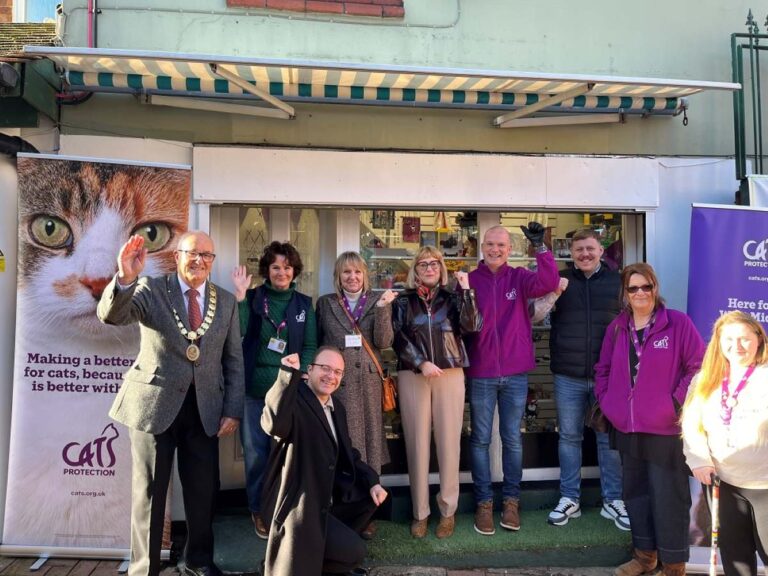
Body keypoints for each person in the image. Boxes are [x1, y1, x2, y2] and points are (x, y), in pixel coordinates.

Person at [98, 231, 245, 576]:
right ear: (177, 256)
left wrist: (233, 409)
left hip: (205, 410)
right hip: (155, 407)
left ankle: (198, 561)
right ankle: (144, 568)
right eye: (192, 253)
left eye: (206, 255)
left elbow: (233, 359)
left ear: (212, 262)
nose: (199, 261)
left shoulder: (225, 301)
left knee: (203, 492)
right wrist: (125, 278)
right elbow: (112, 316)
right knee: (150, 493)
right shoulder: (150, 289)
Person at [594, 262, 705, 576]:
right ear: (625, 293)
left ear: (655, 288)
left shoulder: (677, 323)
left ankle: (673, 564)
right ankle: (645, 557)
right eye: (633, 288)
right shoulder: (617, 328)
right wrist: (610, 403)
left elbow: (698, 366)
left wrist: (673, 404)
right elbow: (602, 370)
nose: (640, 293)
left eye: (646, 286)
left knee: (669, 498)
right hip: (627, 428)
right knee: (636, 495)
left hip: (666, 430)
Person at [465, 223, 559, 535]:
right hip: (481, 371)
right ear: (482, 247)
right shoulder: (470, 280)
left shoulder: (519, 277)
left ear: (509, 249)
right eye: (490, 244)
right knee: (480, 439)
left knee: (512, 439)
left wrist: (541, 247)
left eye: (501, 245)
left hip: (515, 372)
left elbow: (549, 282)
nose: (495, 250)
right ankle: (483, 503)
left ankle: (511, 502)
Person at [261, 349, 388, 576]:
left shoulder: (336, 407)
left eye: (338, 372)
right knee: (355, 551)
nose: (331, 376)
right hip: (297, 505)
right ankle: (289, 561)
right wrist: (286, 375)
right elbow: (275, 425)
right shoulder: (295, 399)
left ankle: (313, 559)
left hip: (325, 500)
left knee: (369, 498)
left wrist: (372, 481)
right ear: (309, 370)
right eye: (325, 368)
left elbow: (349, 454)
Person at [392, 246, 482, 539]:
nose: (429, 268)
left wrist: (466, 291)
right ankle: (420, 512)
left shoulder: (454, 298)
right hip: (414, 373)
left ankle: (448, 510)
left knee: (448, 442)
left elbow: (472, 326)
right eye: (423, 264)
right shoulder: (403, 301)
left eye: (434, 263)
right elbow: (397, 337)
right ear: (415, 269)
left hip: (450, 372)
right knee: (417, 443)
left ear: (441, 268)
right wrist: (421, 362)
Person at [231, 241, 317, 539]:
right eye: (276, 267)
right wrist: (240, 297)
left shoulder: (303, 305)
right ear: (267, 270)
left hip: (289, 392)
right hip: (254, 391)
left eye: (287, 267)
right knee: (256, 454)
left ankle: (282, 508)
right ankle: (258, 509)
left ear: (295, 271)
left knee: (285, 455)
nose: (282, 272)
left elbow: (309, 346)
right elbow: (239, 332)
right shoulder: (254, 298)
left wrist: (302, 374)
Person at [547, 228, 627, 530]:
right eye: (579, 249)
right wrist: (553, 293)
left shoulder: (619, 282)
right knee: (569, 438)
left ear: (601, 250)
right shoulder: (560, 282)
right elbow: (536, 313)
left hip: (607, 377)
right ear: (571, 253)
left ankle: (613, 500)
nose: (585, 254)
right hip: (568, 375)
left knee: (608, 439)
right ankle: (570, 498)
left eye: (590, 248)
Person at [682, 311, 768, 576]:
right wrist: (699, 460)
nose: (737, 346)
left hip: (765, 485)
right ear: (718, 343)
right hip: (723, 483)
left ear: (759, 340)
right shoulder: (705, 380)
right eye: (729, 339)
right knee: (736, 560)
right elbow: (691, 425)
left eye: (745, 338)